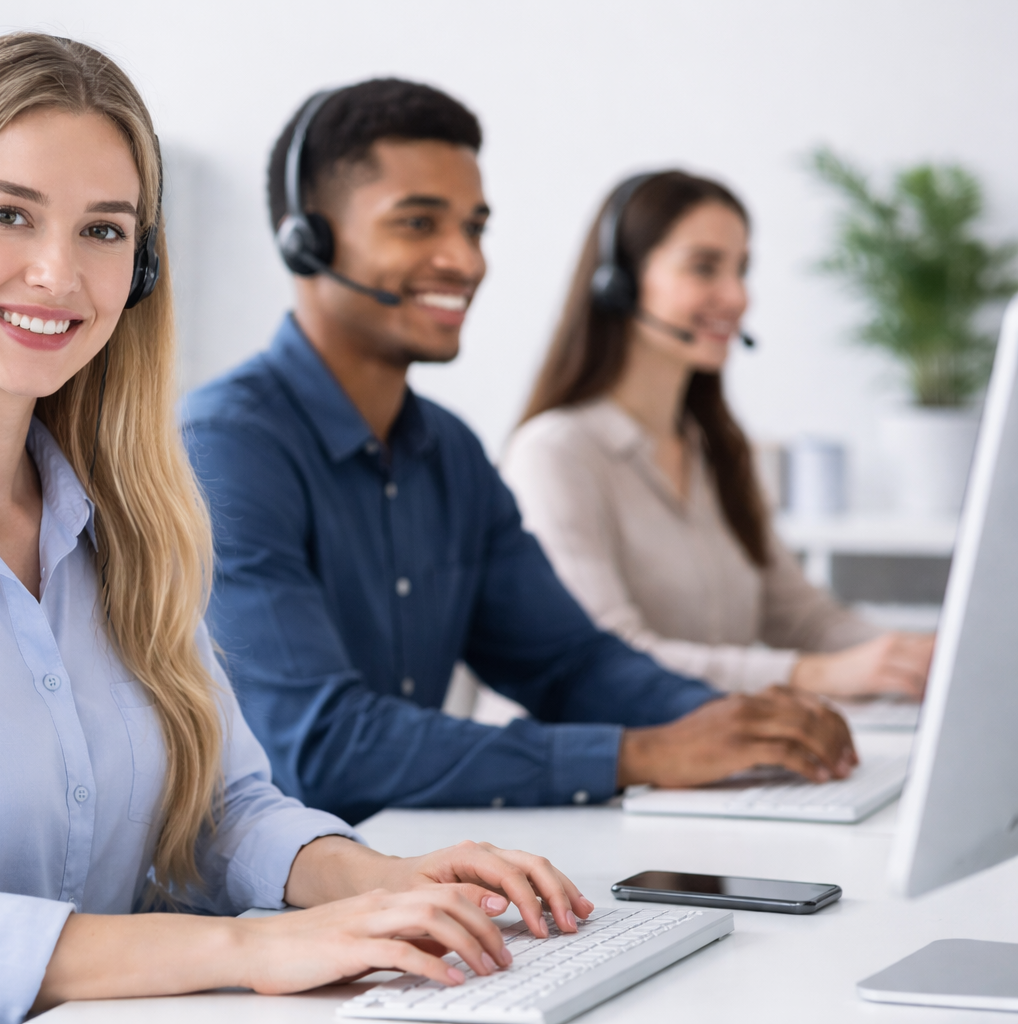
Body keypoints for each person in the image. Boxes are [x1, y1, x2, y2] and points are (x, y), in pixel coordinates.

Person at [0, 37, 598, 1024]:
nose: (59, 273)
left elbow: (222, 813)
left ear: (142, 266)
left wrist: (380, 880)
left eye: (104, 231)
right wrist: (253, 948)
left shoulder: (127, 530)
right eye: (7, 214)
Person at [181, 80, 857, 828]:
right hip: (252, 914)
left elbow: (569, 663)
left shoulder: (448, 451)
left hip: (403, 871)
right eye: (417, 223)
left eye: (474, 227)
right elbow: (322, 747)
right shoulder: (227, 447)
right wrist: (637, 755)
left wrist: (738, 724)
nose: (465, 260)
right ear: (305, 240)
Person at [504, 171, 934, 698]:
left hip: (704, 764)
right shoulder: (555, 453)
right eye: (705, 267)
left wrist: (920, 654)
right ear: (618, 283)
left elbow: (803, 620)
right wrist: (809, 676)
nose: (736, 296)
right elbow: (607, 656)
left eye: (742, 270)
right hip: (593, 770)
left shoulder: (718, 451)